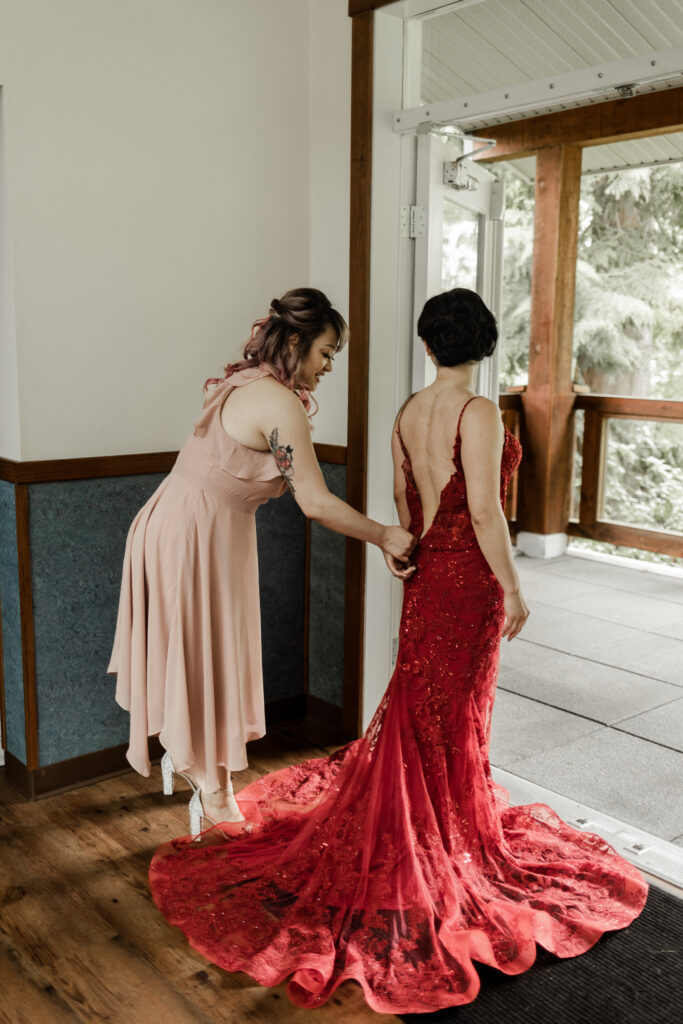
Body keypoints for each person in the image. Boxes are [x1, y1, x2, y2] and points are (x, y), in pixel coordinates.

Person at [148, 288, 648, 1015]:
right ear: (480, 345)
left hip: (424, 575)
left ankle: (434, 825)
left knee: (422, 704)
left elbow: (402, 499)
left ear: (427, 345)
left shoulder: (407, 413)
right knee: (452, 711)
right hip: (467, 581)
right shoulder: (478, 413)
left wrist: (406, 552)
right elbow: (483, 509)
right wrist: (511, 588)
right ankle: (445, 836)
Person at [107, 288, 416, 832]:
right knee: (205, 656)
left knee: (206, 653)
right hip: (193, 533)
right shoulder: (278, 400)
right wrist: (385, 535)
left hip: (188, 524)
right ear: (295, 342)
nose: (327, 367)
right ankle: (212, 788)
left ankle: (202, 770)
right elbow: (315, 502)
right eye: (326, 352)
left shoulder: (247, 381)